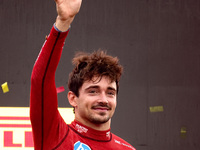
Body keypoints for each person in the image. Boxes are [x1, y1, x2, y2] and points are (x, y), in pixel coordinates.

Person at [30, 0, 136, 149]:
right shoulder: (56, 135)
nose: (103, 99)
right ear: (73, 99)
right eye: (93, 91)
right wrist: (63, 22)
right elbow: (40, 79)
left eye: (110, 93)